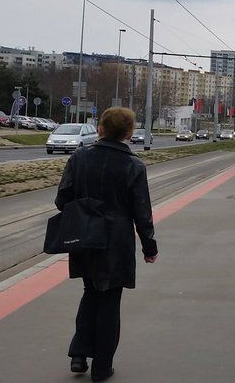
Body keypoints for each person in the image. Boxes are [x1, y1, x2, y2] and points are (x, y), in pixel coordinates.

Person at [55, 107, 157, 382]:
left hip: (84, 238)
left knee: (90, 292)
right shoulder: (133, 165)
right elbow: (142, 211)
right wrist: (150, 247)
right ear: (128, 133)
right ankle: (101, 367)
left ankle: (79, 355)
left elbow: (61, 200)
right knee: (110, 300)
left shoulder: (79, 158)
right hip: (116, 241)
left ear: (100, 129)